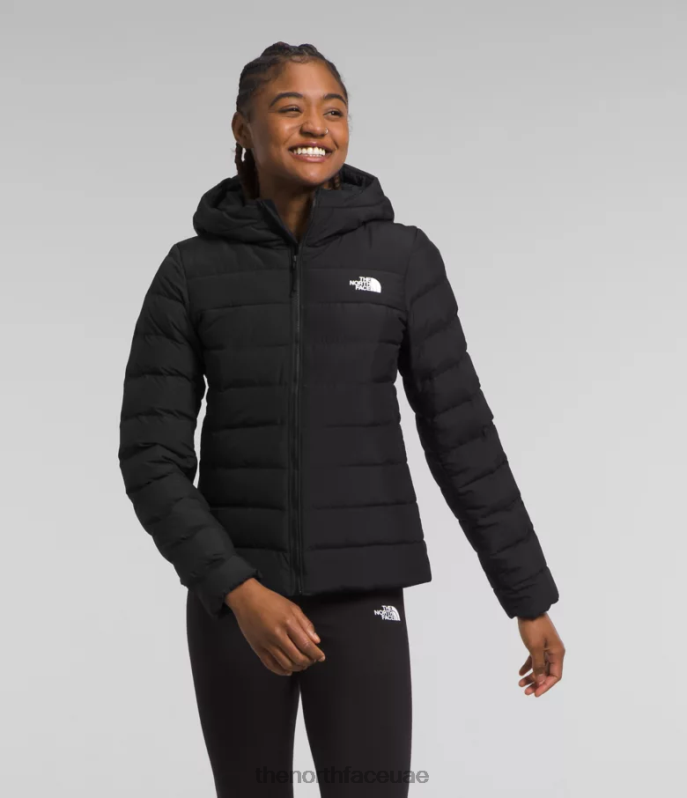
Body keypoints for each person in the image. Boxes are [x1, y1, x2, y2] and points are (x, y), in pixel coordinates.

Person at [118, 42, 565, 798]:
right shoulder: (191, 271)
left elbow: (463, 438)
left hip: (363, 599)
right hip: (238, 606)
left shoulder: (402, 258)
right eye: (290, 108)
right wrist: (238, 590)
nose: (315, 126)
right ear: (243, 128)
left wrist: (528, 598)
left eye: (333, 109)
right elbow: (150, 458)